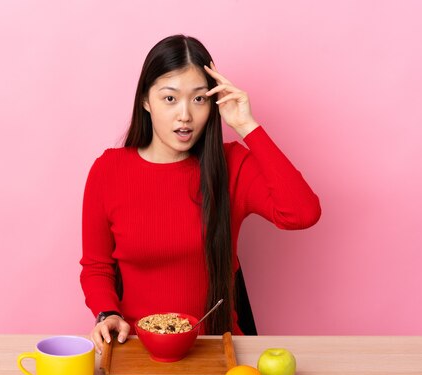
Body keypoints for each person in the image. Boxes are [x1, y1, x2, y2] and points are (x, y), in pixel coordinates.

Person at [80, 34, 321, 354]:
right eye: (170, 98)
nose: (185, 115)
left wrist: (247, 125)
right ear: (145, 101)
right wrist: (107, 313)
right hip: (136, 347)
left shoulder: (232, 165)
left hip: (217, 349)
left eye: (198, 99)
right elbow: (97, 267)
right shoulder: (108, 170)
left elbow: (302, 213)